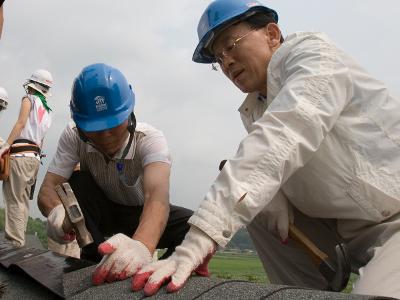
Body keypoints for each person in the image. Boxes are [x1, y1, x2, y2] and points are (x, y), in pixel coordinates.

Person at [132, 0, 400, 298]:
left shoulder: (314, 57)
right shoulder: (256, 106)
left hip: (393, 224)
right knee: (255, 199)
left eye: (231, 45)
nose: (226, 62)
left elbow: (284, 134)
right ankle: (300, 292)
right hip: (344, 232)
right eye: (218, 58)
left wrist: (198, 241)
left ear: (272, 34)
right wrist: (275, 193)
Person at [37, 63, 193, 285]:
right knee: (78, 180)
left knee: (194, 226)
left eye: (113, 124)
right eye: (95, 127)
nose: (106, 135)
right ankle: (93, 260)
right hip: (104, 212)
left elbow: (156, 200)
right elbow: (48, 189)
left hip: (141, 215)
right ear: (79, 123)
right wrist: (56, 213)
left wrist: (141, 246)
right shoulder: (72, 135)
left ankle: (162, 270)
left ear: (129, 114)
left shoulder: (150, 140)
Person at [0, 69, 53, 247]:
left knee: (13, 198)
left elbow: (21, 123)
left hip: (20, 155)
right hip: (34, 158)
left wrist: (6, 145)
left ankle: (14, 242)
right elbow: (42, 140)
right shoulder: (48, 110)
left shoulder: (28, 99)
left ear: (32, 85)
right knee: (22, 200)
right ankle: (19, 240)